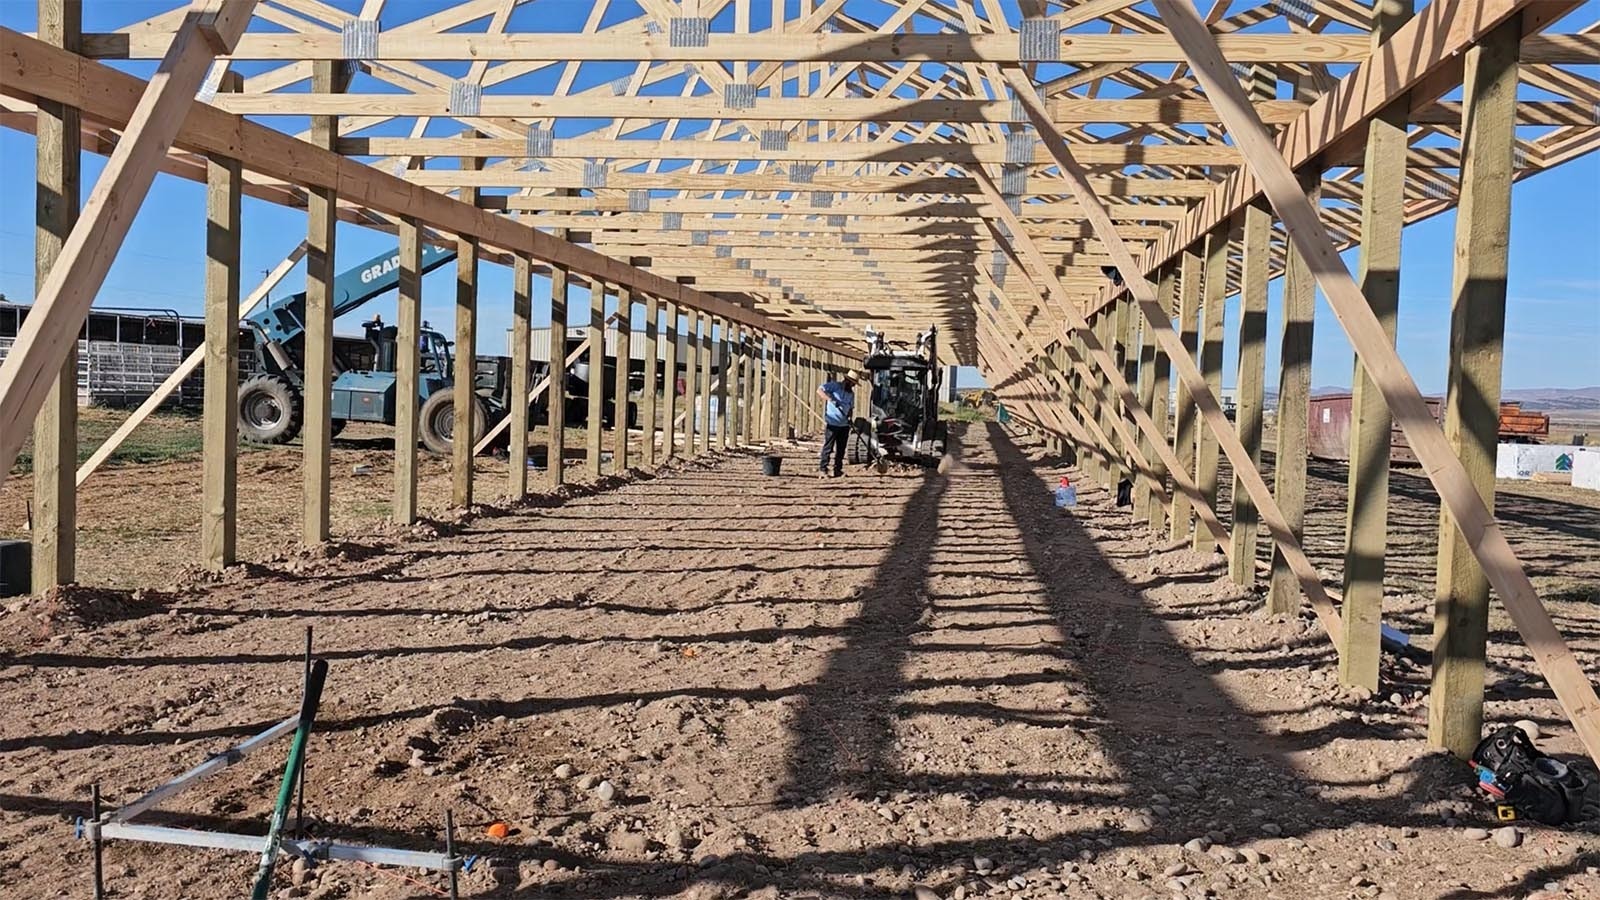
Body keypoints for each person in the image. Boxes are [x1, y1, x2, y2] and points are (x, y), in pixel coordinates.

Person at [817, 371, 858, 478]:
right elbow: (820, 390)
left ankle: (837, 470)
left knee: (841, 449)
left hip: (844, 425)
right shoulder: (835, 386)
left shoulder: (851, 394)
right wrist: (830, 399)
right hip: (832, 423)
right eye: (852, 383)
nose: (853, 386)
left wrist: (849, 418)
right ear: (847, 381)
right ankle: (823, 469)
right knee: (828, 447)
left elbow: (851, 408)